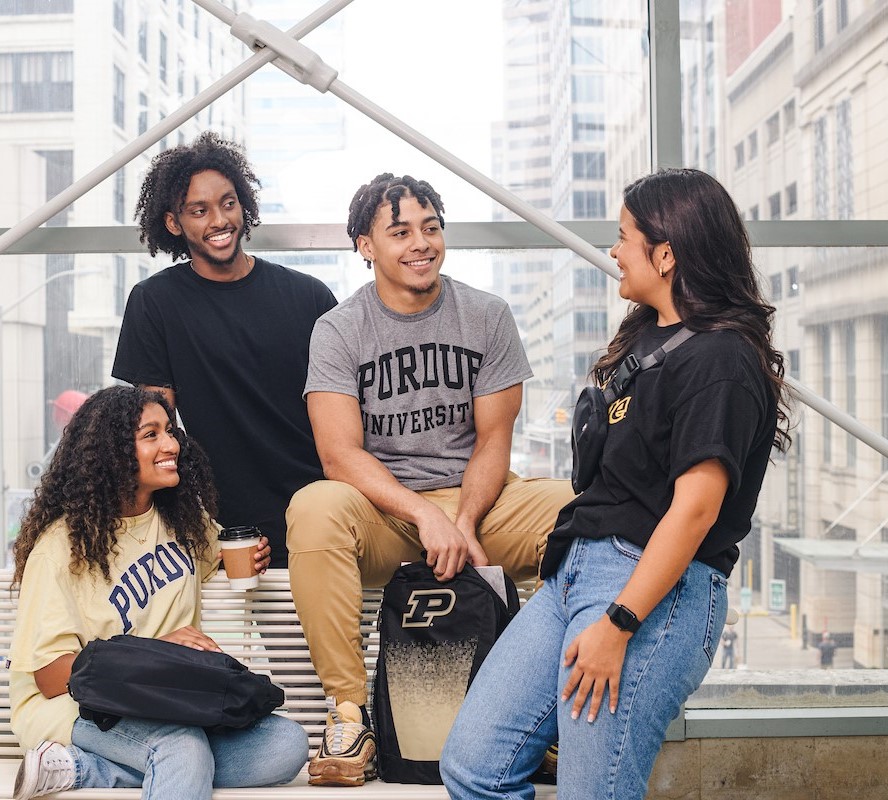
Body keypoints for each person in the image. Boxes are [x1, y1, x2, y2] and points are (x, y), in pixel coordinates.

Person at [441, 168, 791, 800]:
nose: (614, 250)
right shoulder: (649, 337)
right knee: (474, 766)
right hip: (576, 575)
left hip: (649, 592)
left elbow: (695, 511)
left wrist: (619, 622)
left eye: (625, 236)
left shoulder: (722, 360)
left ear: (667, 253)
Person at [286, 173, 574, 787]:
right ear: (366, 245)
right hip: (386, 513)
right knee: (314, 507)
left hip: (478, 506)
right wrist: (423, 515)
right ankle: (349, 714)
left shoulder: (486, 315)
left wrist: (462, 520)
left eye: (431, 227)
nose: (420, 243)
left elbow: (493, 441)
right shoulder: (338, 329)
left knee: (574, 510)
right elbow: (339, 455)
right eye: (400, 232)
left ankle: (540, 716)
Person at [9, 386, 308, 800]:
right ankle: (148, 762)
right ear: (111, 453)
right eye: (151, 435)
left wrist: (246, 556)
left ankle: (84, 769)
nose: (171, 445)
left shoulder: (182, 521)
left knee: (284, 744)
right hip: (74, 705)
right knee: (181, 747)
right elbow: (49, 677)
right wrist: (158, 650)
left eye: (170, 431)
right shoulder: (60, 550)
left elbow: (218, 554)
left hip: (167, 698)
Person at [112, 132, 337, 568]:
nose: (219, 220)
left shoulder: (309, 297)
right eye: (199, 210)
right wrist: (187, 527)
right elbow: (156, 426)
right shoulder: (155, 303)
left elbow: (346, 420)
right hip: (221, 526)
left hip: (320, 511)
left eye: (228, 203)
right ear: (174, 223)